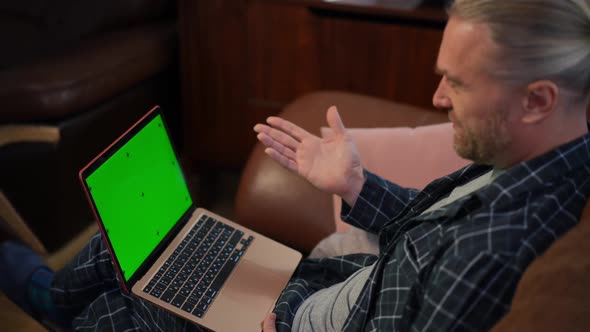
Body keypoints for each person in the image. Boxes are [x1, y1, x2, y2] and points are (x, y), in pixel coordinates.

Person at [2, 0, 590, 331]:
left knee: (113, 311)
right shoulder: (522, 164)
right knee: (150, 246)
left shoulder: (492, 253)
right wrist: (355, 184)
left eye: (457, 83)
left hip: (293, 321)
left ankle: (50, 300)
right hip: (331, 284)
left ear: (538, 100)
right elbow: (426, 229)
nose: (437, 98)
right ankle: (53, 296)